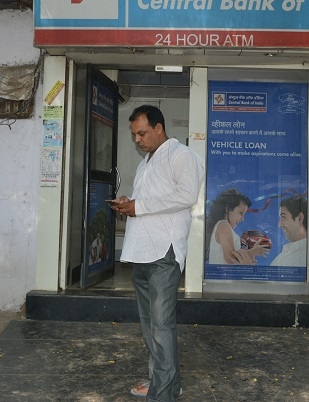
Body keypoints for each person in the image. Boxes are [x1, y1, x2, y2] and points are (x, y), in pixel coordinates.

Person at [110, 105, 203, 401]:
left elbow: (187, 195)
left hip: (164, 252)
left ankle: (161, 393)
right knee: (151, 325)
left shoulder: (181, 155)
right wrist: (129, 202)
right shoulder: (146, 162)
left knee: (161, 326)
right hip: (141, 251)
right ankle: (165, 384)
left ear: (159, 128)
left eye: (142, 133)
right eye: (134, 135)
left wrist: (139, 206)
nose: (137, 139)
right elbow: (149, 201)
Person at [205, 188, 269, 265]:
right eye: (241, 213)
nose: (242, 219)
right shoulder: (223, 224)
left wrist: (248, 258)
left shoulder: (222, 226)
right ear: (228, 208)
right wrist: (254, 251)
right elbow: (230, 258)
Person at [270, 195, 307, 267]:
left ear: (299, 218)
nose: (279, 224)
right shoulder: (291, 252)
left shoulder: (302, 257)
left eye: (283, 217)